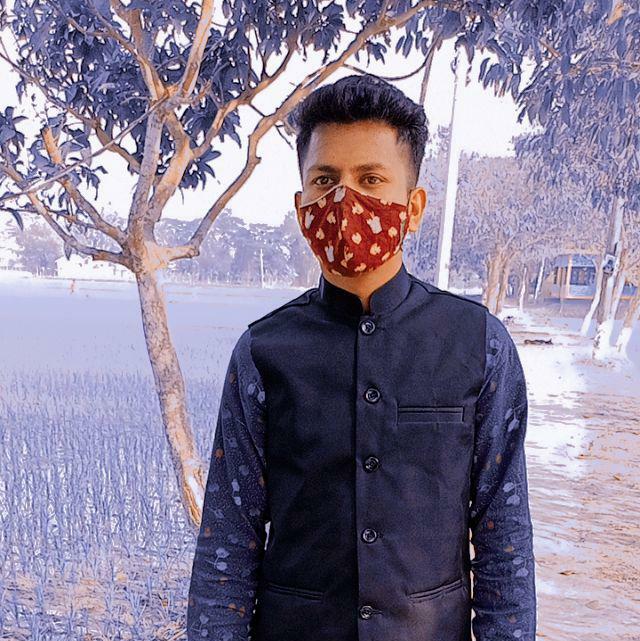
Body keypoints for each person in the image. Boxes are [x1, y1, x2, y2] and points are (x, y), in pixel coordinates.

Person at [187, 73, 536, 641]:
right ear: (301, 206)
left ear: (413, 207)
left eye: (371, 179)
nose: (343, 201)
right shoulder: (263, 353)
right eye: (325, 180)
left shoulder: (480, 346)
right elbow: (229, 539)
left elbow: (504, 539)